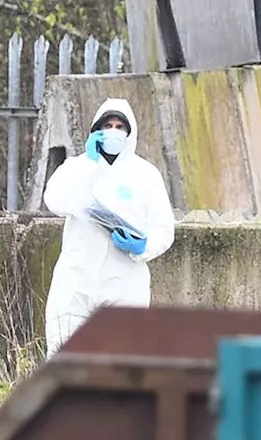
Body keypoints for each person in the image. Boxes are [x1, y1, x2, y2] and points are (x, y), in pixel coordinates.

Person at [41, 97, 176, 357]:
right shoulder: (76, 166)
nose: (113, 132)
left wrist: (144, 246)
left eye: (119, 127)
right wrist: (88, 165)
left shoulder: (145, 175)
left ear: (129, 133)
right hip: (75, 278)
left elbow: (164, 228)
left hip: (124, 279)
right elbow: (54, 200)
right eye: (107, 125)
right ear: (95, 130)